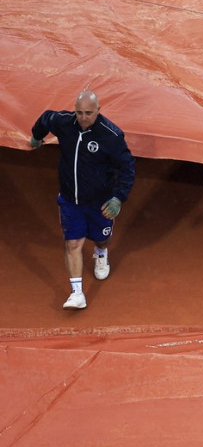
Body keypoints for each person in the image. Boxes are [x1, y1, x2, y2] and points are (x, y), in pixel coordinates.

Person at [29, 89, 136, 310]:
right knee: (73, 243)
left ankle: (101, 253)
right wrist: (36, 136)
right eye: (79, 112)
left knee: (101, 239)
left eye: (88, 113)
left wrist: (118, 198)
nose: (83, 117)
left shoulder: (112, 135)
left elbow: (127, 169)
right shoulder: (64, 122)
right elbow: (46, 118)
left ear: (98, 110)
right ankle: (77, 293)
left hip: (100, 203)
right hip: (70, 200)